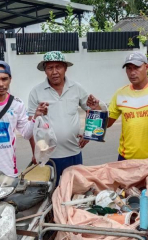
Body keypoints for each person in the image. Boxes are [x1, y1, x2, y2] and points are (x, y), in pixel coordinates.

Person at [28, 51, 100, 183]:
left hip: (73, 153)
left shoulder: (76, 88)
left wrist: (88, 134)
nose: (54, 72)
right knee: (50, 195)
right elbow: (30, 125)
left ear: (65, 68)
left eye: (58, 67)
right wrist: (35, 152)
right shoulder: (36, 92)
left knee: (73, 191)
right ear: (45, 71)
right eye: (50, 68)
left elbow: (92, 110)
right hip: (48, 155)